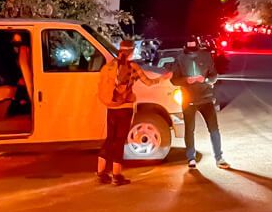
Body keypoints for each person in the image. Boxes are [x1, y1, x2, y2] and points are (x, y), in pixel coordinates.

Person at [96, 38, 168, 186]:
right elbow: (148, 82)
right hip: (125, 108)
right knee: (120, 141)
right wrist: (162, 78)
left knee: (110, 139)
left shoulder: (109, 66)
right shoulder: (132, 66)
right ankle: (116, 176)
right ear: (131, 51)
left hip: (111, 107)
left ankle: (101, 173)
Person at [172, 39, 229, 170]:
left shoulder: (206, 56)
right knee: (189, 129)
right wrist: (186, 80)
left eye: (194, 47)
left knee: (214, 128)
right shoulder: (180, 58)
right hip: (188, 100)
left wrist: (206, 80)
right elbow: (174, 80)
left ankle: (219, 157)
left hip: (206, 98)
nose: (192, 52)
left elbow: (214, 76)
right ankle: (191, 158)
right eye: (189, 48)